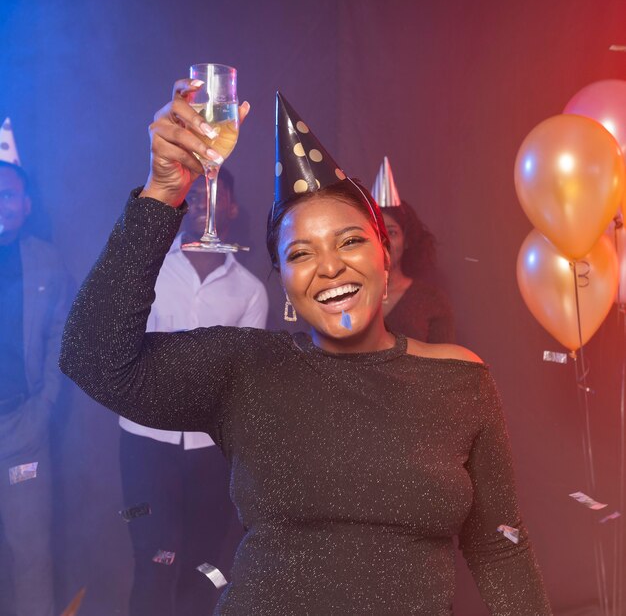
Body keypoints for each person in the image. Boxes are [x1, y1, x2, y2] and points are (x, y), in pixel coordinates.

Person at [60, 82, 552, 614]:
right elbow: (93, 357)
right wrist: (161, 194)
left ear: (384, 255)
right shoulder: (247, 369)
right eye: (300, 252)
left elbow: (499, 549)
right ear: (284, 283)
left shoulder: (460, 380)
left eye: (349, 240)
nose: (329, 265)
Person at [118, 169, 268, 616]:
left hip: (209, 452)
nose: (204, 201)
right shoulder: (149, 270)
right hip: (146, 444)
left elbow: (244, 379)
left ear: (232, 209)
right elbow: (124, 348)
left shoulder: (250, 291)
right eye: (195, 193)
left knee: (203, 565)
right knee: (152, 560)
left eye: (216, 194)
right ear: (183, 204)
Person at [0, 118, 69, 616]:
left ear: (25, 205)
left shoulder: (47, 263)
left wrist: (43, 409)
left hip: (21, 431)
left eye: (8, 195)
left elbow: (59, 344)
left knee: (31, 558)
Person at [371, 156, 454, 343]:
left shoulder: (431, 300)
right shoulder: (349, 295)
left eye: (391, 233)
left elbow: (446, 366)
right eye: (375, 233)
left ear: (406, 240)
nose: (383, 242)